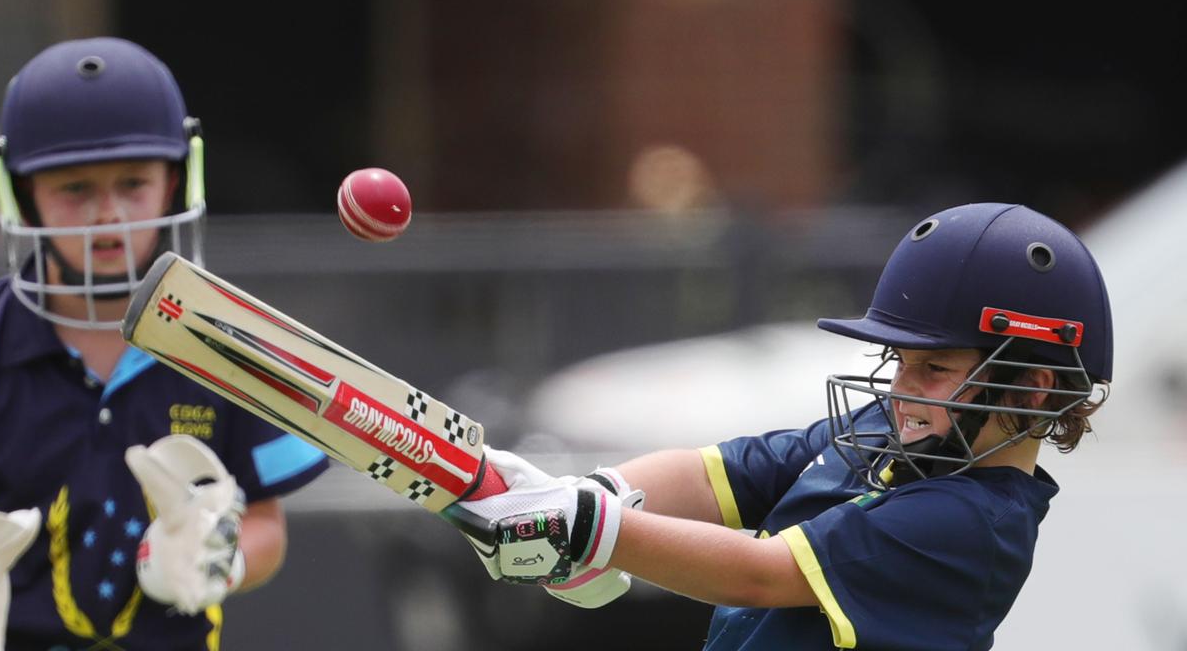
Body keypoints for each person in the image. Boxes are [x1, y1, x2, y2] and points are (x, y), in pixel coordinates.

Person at [461, 202, 1112, 650]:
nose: (901, 387)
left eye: (934, 367)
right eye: (899, 361)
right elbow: (718, 475)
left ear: (1030, 387)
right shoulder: (886, 432)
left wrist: (591, 528)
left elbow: (759, 574)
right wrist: (593, 490)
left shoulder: (974, 525)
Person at [0, 37, 328, 650]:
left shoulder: (228, 342)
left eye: (133, 182)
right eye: (74, 188)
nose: (108, 215)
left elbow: (266, 527)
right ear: (21, 194)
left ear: (177, 179)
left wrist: (217, 561)